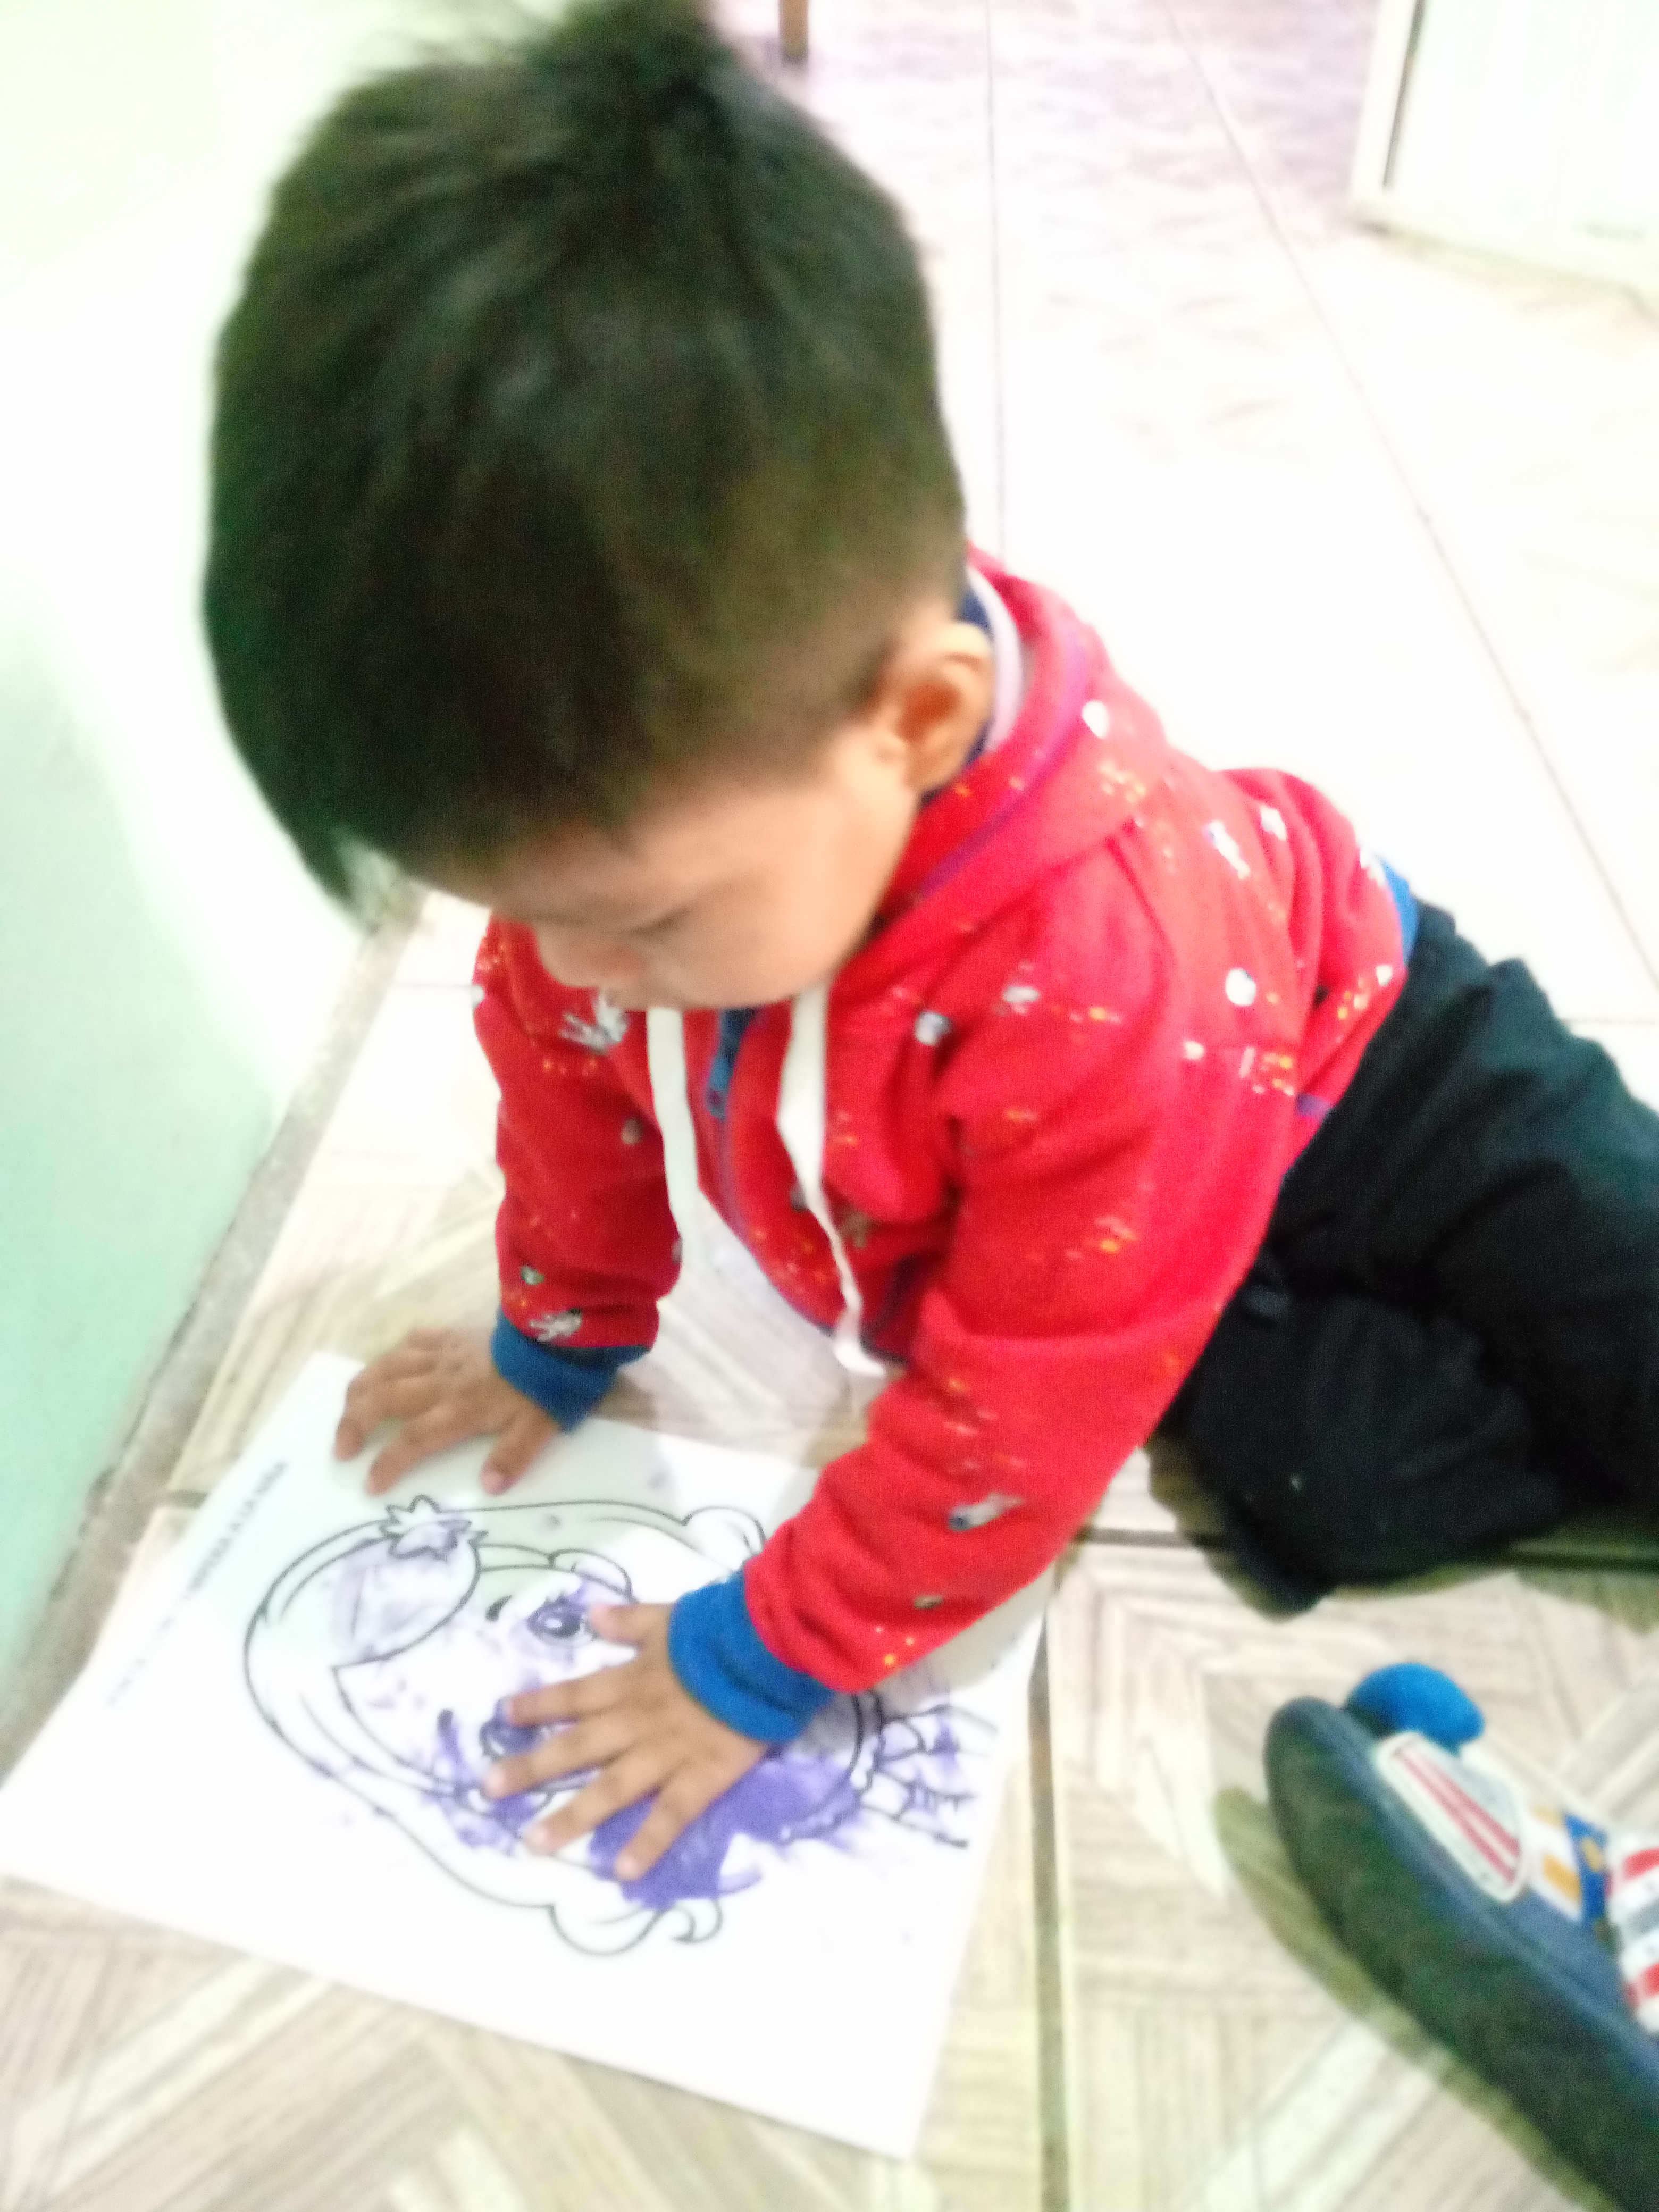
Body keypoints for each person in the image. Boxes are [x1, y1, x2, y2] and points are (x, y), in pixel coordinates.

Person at [203, 0, 1659, 1886]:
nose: (567, 971)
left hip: (1375, 1059)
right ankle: (1196, 1285)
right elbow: (589, 1115)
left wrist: (754, 1657)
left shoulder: (1094, 960)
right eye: (518, 909)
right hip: (1129, 1195)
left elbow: (1000, 1436)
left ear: (911, 720)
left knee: (1628, 1308)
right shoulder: (616, 880)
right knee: (1331, 1489)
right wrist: (559, 1338)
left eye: (633, 921)